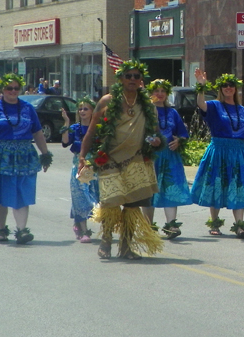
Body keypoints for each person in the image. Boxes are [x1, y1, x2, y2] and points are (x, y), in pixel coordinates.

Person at [78, 59, 164, 260]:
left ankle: (125, 246)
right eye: (128, 76)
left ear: (141, 80)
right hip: (109, 159)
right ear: (121, 79)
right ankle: (106, 242)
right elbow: (91, 132)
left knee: (133, 206)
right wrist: (83, 156)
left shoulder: (148, 105)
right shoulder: (107, 101)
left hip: (137, 161)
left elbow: (156, 134)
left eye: (136, 76)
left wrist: (157, 141)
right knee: (111, 203)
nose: (132, 79)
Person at [0, 73, 52, 244]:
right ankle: (1, 229)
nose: (13, 91)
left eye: (16, 88)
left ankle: (21, 230)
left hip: (23, 155)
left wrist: (45, 154)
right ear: (2, 90)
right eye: (9, 88)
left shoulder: (28, 108)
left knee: (21, 191)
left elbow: (37, 132)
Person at [191, 70, 244, 238]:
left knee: (238, 187)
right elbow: (200, 104)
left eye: (231, 85)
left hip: (238, 152)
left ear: (235, 89)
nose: (228, 88)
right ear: (220, 89)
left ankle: (240, 226)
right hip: (219, 150)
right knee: (217, 185)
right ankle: (214, 223)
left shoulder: (241, 110)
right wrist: (201, 86)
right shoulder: (214, 105)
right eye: (225, 86)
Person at [142, 79, 192, 239]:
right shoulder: (145, 112)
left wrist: (179, 141)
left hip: (170, 156)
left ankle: (171, 225)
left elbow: (183, 133)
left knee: (171, 188)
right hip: (151, 156)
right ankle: (148, 226)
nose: (160, 94)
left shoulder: (173, 113)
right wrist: (151, 141)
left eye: (163, 91)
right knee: (150, 190)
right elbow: (139, 133)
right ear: (151, 93)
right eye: (156, 91)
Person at [61, 97, 99, 243]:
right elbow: (65, 142)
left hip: (95, 165)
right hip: (79, 164)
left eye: (86, 108)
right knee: (81, 196)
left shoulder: (97, 127)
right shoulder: (75, 128)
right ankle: (84, 230)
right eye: (80, 109)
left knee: (94, 197)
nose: (82, 111)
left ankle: (78, 222)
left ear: (92, 111)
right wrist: (66, 123)